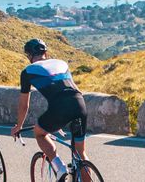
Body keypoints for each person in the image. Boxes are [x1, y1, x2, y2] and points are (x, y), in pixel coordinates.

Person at [9, 39, 91, 181]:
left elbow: (24, 105)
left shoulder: (27, 72)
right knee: (81, 153)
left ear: (29, 56)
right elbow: (66, 89)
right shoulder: (61, 63)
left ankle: (60, 168)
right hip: (79, 103)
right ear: (45, 53)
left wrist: (19, 126)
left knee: (39, 133)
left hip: (60, 108)